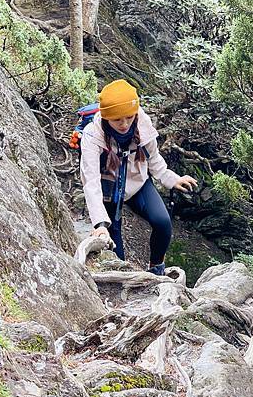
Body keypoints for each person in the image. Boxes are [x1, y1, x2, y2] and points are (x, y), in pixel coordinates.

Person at [80, 79, 197, 275]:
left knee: (163, 223)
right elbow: (90, 181)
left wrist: (172, 179)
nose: (124, 124)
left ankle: (156, 269)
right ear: (106, 118)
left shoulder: (142, 123)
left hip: (138, 182)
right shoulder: (93, 136)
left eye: (128, 117)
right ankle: (124, 278)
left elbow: (154, 159)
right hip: (107, 189)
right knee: (113, 243)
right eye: (117, 120)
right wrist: (100, 224)